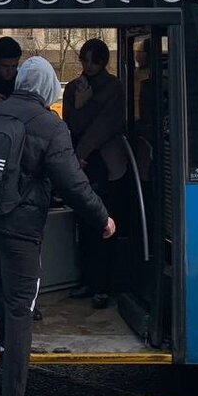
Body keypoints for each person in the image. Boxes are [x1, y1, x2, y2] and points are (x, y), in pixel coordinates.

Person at [0, 56, 115, 396]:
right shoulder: (50, 125)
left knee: (7, 310)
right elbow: (74, 184)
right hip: (19, 231)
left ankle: (8, 380)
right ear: (47, 89)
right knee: (20, 311)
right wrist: (103, 219)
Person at [61, 39, 128, 309]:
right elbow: (70, 122)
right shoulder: (76, 87)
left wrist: (81, 153)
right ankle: (87, 280)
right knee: (84, 225)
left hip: (104, 164)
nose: (88, 66)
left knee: (105, 225)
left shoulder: (113, 87)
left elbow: (105, 125)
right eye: (84, 60)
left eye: (93, 61)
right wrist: (79, 104)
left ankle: (104, 285)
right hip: (83, 164)